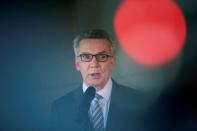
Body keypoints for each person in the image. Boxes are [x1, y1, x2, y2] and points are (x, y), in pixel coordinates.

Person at [50, 29, 148, 131]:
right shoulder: (60, 108)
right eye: (86, 57)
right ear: (77, 64)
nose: (94, 64)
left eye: (101, 56)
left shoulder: (138, 102)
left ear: (112, 62)